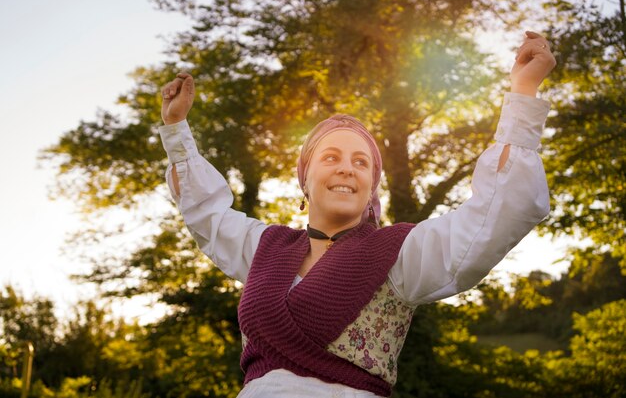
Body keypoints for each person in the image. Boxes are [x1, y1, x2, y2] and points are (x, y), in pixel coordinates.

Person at [158, 31, 556, 397]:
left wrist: (522, 93)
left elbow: (495, 215)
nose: (347, 168)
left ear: (370, 190)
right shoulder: (265, 247)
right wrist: (176, 128)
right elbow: (208, 215)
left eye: (361, 162)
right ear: (305, 179)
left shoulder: (399, 254)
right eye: (331, 157)